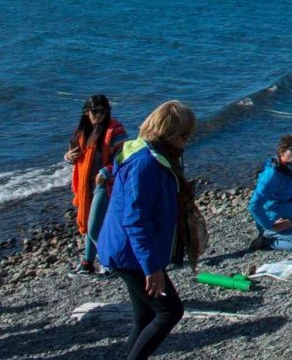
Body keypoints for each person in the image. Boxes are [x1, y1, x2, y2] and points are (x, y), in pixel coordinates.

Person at [96, 100, 196, 360]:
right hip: (131, 253)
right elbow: (135, 220)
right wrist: (151, 268)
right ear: (169, 134)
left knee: (146, 316)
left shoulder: (147, 153)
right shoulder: (146, 164)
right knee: (170, 312)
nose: (187, 141)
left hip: (128, 248)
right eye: (185, 135)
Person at [64, 94, 126, 276]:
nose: (99, 115)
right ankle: (87, 263)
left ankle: (111, 262)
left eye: (103, 111)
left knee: (93, 227)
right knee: (90, 223)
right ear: (86, 112)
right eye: (95, 111)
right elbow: (73, 156)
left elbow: (123, 157)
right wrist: (68, 157)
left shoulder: (115, 129)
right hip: (85, 186)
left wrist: (105, 172)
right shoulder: (82, 132)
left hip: (105, 185)